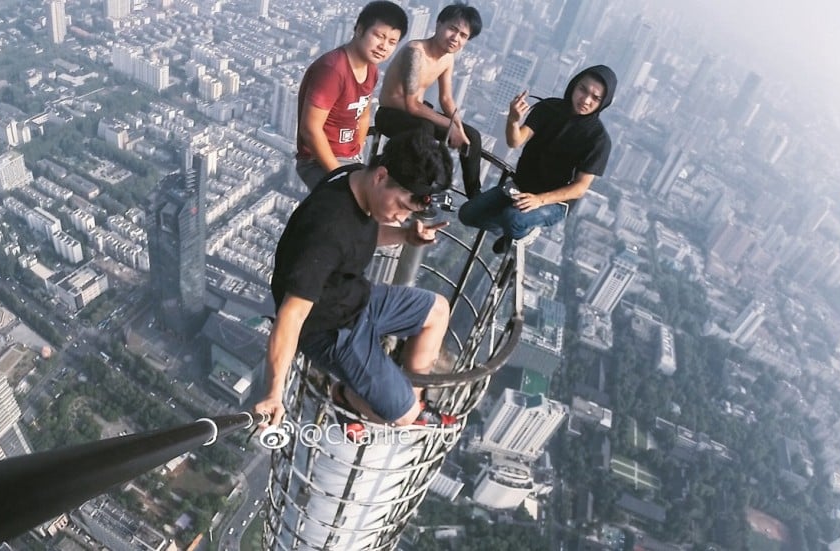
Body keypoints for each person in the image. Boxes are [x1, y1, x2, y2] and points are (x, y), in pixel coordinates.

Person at [256, 128, 457, 440]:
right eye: (402, 206)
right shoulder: (328, 230)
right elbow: (291, 315)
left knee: (437, 310)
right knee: (402, 418)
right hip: (329, 329)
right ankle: (347, 396)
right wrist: (273, 391)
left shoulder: (353, 178)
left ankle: (411, 399)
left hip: (355, 296)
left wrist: (406, 237)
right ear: (381, 176)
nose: (402, 216)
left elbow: (360, 234)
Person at [458, 65, 617, 254]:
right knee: (467, 214)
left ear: (603, 102)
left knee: (513, 217)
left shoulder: (598, 140)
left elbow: (580, 188)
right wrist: (513, 120)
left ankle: (524, 232)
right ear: (574, 85)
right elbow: (514, 140)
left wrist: (539, 200)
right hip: (521, 186)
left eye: (596, 98)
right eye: (583, 90)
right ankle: (512, 231)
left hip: (554, 203)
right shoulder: (548, 108)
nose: (586, 100)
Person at [375, 1, 484, 198]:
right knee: (425, 129)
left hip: (417, 114)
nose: (455, 38)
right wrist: (451, 128)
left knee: (473, 136)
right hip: (390, 114)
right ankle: (415, 189)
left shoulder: (447, 58)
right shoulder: (415, 52)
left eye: (463, 36)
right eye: (453, 29)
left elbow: (446, 99)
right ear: (439, 24)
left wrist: (459, 129)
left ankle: (475, 195)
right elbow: (411, 104)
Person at [295, 1, 408, 190]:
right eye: (379, 36)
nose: (383, 46)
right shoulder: (333, 69)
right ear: (359, 29)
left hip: (350, 157)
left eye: (392, 42)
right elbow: (310, 129)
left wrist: (357, 149)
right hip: (318, 160)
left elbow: (363, 113)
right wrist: (340, 176)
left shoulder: (371, 69)